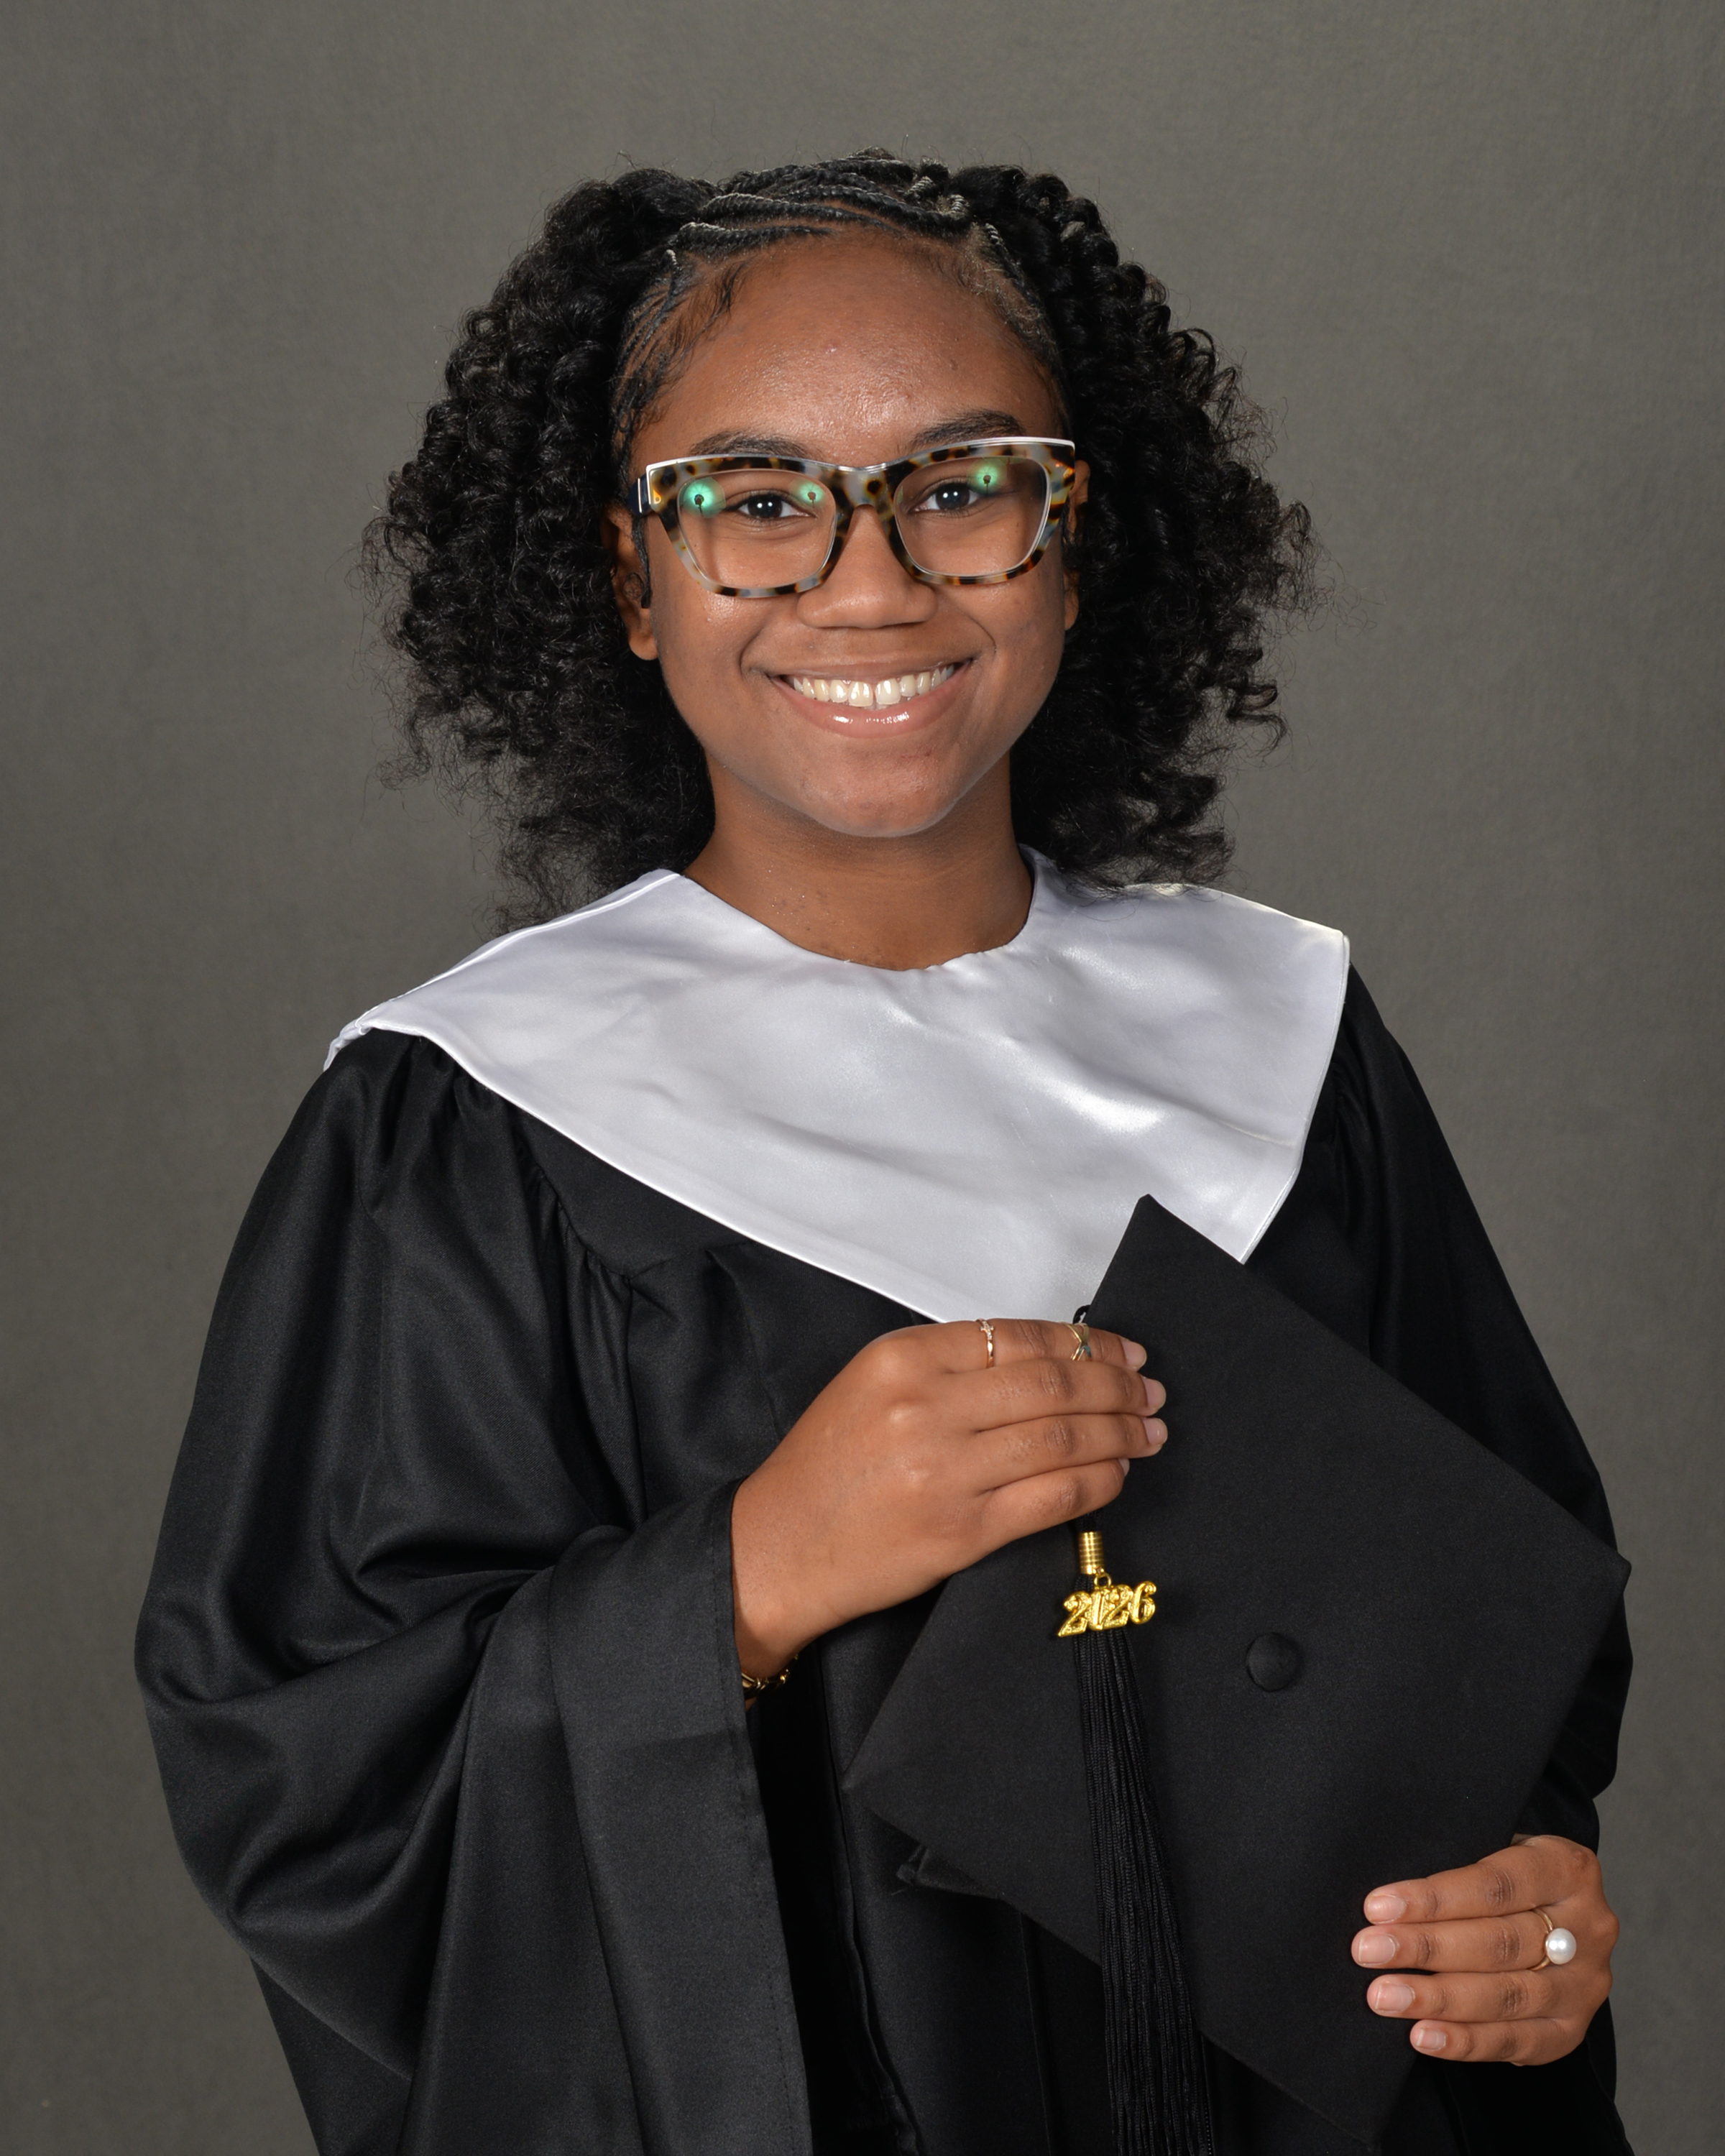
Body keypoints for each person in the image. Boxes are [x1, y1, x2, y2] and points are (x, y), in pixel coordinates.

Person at [137, 155, 1632, 2156]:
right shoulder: (469, 1122)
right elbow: (318, 1789)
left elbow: (1496, 1647)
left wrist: (1527, 1911)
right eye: (755, 501)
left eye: (966, 484)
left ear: (1072, 546)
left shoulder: (1286, 1041)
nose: (871, 583)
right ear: (630, 578)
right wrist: (747, 1579)